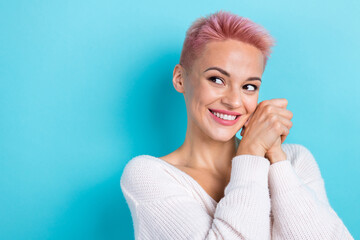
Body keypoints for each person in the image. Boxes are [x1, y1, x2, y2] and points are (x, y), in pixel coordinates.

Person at [120, 10, 354, 239]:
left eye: (249, 86)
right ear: (180, 78)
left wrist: (275, 159)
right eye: (217, 80)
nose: (233, 101)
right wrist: (251, 152)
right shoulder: (148, 176)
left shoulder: (294, 161)